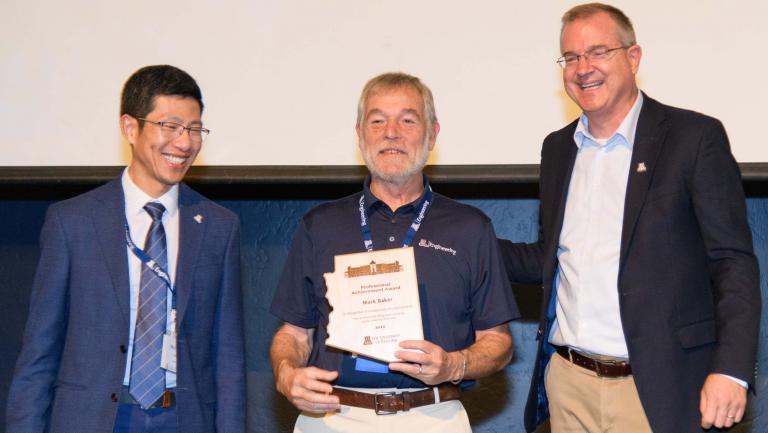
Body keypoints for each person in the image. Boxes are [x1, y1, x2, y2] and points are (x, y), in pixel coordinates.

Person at [499, 3, 761, 433]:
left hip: (660, 387)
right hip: (569, 385)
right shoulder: (558, 148)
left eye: (598, 52)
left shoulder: (693, 139)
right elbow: (551, 258)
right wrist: (467, 244)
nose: (583, 68)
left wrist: (731, 371)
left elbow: (733, 263)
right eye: (571, 57)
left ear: (633, 57)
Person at [270, 72, 519, 432]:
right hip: (331, 417)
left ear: (432, 134)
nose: (391, 132)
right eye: (377, 120)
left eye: (407, 120)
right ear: (360, 135)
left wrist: (454, 365)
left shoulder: (470, 228)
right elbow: (293, 334)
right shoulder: (319, 226)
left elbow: (498, 342)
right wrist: (286, 373)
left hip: (435, 417)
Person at [6, 65, 245, 432]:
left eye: (195, 129)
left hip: (183, 419)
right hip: (94, 419)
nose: (184, 143)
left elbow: (227, 359)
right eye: (170, 126)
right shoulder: (73, 222)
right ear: (130, 128)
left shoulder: (218, 227)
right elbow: (39, 353)